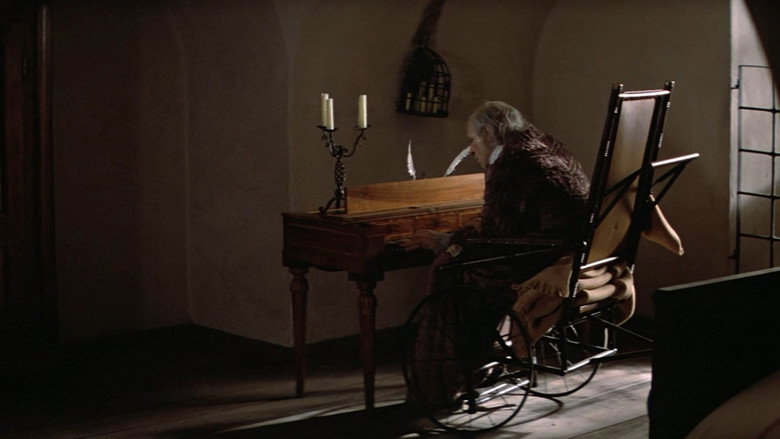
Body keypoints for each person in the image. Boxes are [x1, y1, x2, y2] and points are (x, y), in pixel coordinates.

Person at [402, 100, 590, 297]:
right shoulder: (545, 146)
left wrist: (444, 241)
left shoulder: (511, 163)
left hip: (543, 256)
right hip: (574, 250)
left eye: (472, 140)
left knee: (446, 268)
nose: (471, 149)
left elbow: (494, 241)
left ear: (487, 133)